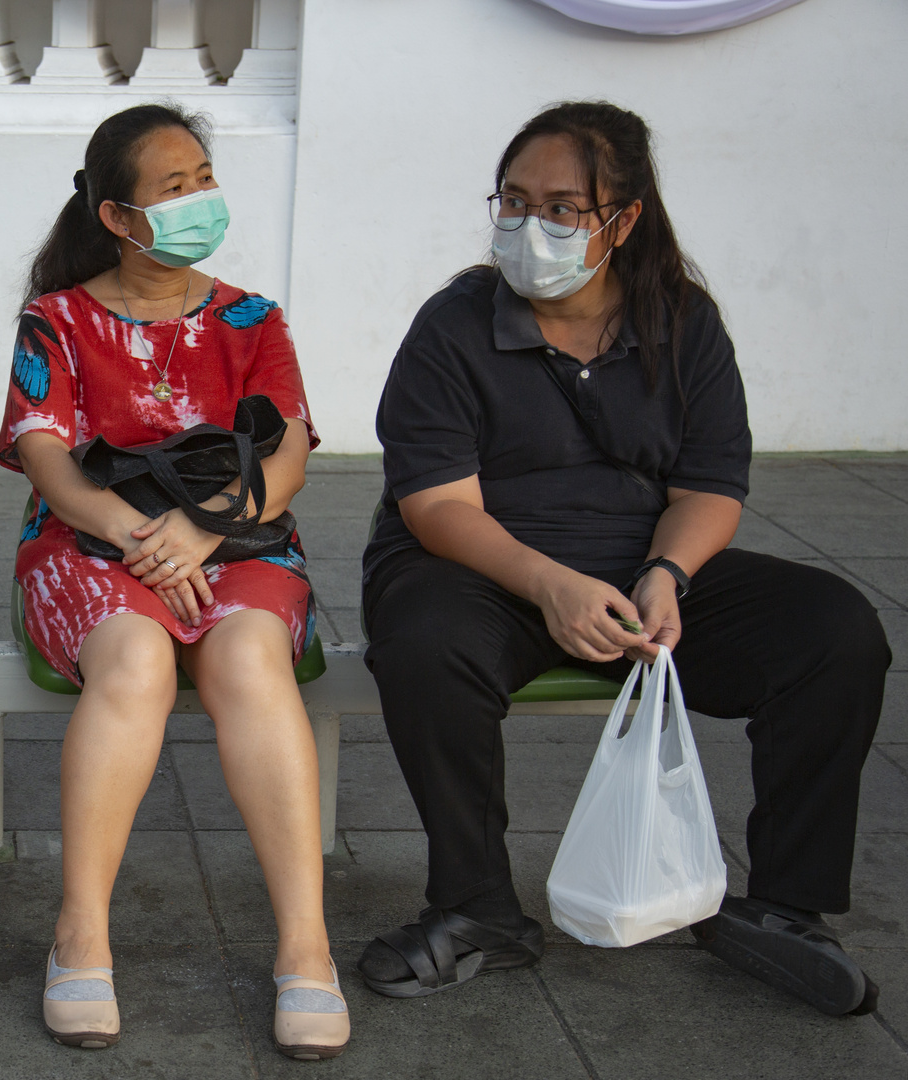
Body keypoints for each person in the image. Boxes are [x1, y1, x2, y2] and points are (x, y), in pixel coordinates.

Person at [359, 101, 890, 1016]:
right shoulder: (453, 325)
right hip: (482, 571)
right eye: (514, 202)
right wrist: (550, 584)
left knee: (832, 632)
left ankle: (786, 910)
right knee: (423, 643)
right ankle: (477, 908)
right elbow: (437, 505)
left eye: (563, 208)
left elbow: (709, 485)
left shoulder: (680, 320)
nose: (532, 228)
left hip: (641, 571)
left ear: (624, 218)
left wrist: (667, 574)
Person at [0, 104, 346, 1059]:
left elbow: (289, 459)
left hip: (234, 540)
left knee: (249, 662)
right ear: (116, 216)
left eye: (203, 176)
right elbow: (44, 457)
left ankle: (306, 950)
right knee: (135, 660)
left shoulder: (252, 319)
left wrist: (198, 530)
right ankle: (80, 932)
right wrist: (136, 537)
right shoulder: (57, 318)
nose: (199, 198)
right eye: (174, 185)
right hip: (88, 540)